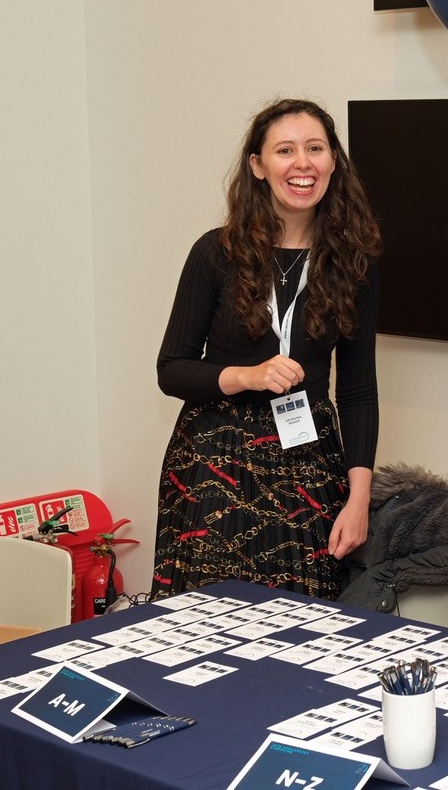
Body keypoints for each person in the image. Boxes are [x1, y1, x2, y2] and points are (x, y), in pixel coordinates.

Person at [153, 97, 382, 601]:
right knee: (208, 629)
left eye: (315, 149)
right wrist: (246, 376)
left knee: (306, 625)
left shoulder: (354, 263)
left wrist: (359, 497)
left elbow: (360, 390)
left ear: (332, 163)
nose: (302, 163)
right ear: (258, 166)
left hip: (309, 460)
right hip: (216, 463)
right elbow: (171, 370)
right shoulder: (216, 253)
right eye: (285, 150)